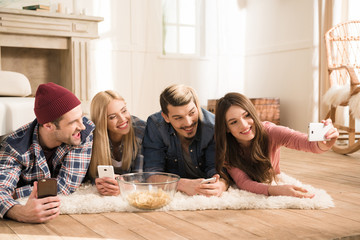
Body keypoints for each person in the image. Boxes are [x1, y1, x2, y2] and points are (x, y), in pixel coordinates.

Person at [0, 82, 94, 223]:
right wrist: (20, 212)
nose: (81, 126)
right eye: (73, 122)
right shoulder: (15, 147)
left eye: (81, 117)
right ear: (49, 126)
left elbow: (66, 185)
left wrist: (15, 193)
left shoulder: (82, 133)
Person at [215, 92, 339, 198]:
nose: (243, 125)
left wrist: (324, 143)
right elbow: (243, 182)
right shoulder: (226, 148)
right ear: (226, 128)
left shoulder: (270, 132)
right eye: (234, 122)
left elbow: (306, 143)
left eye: (246, 115)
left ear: (253, 113)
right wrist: (276, 190)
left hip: (269, 177)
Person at [143, 84, 228, 197]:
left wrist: (220, 185)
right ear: (166, 117)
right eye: (178, 118)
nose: (188, 123)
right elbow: (151, 175)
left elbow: (219, 170)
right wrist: (183, 184)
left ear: (197, 106)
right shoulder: (156, 125)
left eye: (192, 113)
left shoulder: (212, 126)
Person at [88, 90, 146, 196]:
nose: (123, 119)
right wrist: (101, 183)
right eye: (112, 117)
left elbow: (140, 176)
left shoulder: (141, 130)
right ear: (102, 121)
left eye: (124, 111)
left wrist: (124, 186)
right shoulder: (91, 136)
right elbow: (89, 177)